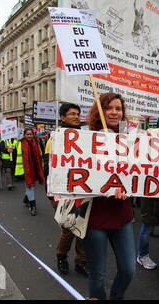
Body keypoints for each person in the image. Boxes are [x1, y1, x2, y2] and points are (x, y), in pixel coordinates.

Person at [82, 93, 135, 300]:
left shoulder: (131, 139)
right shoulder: (85, 138)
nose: (114, 112)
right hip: (95, 214)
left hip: (122, 213)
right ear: (100, 111)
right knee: (98, 274)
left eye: (118, 108)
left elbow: (141, 172)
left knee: (128, 269)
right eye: (109, 108)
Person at [43, 103, 88, 277]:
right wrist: (52, 193)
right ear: (62, 117)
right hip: (62, 191)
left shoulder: (85, 137)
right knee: (69, 228)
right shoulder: (54, 139)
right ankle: (61, 256)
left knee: (82, 228)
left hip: (82, 190)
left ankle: (81, 260)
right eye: (72, 114)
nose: (76, 117)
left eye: (78, 114)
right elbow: (49, 169)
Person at [14, 128, 45, 216]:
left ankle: (26, 198)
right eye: (27, 134)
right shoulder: (19, 144)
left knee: (30, 186)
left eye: (31, 134)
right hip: (25, 169)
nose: (29, 136)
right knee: (30, 186)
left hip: (35, 168)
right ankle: (33, 206)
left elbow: (41, 155)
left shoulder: (37, 143)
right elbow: (16, 156)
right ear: (24, 135)